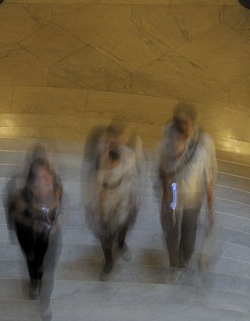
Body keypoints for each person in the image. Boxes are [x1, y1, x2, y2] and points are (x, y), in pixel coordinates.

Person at [155, 102, 216, 279]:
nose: (183, 129)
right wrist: (166, 197)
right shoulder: (165, 144)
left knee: (189, 237)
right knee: (171, 234)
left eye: (186, 124)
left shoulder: (203, 146)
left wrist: (210, 207)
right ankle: (175, 264)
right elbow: (163, 171)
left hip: (193, 199)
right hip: (174, 195)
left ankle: (184, 259)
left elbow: (209, 177)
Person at [82, 120, 143, 279]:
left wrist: (134, 199)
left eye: (125, 137)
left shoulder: (129, 154)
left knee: (123, 225)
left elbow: (133, 176)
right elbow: (89, 177)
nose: (122, 141)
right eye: (119, 138)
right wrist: (89, 205)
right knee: (105, 233)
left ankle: (121, 243)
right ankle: (108, 260)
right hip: (102, 200)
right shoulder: (99, 150)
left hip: (123, 197)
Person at [6, 148, 63, 305]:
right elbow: (17, 216)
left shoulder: (56, 187)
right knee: (32, 261)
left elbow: (59, 208)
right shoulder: (22, 196)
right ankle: (34, 282)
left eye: (49, 175)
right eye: (42, 177)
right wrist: (33, 221)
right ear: (31, 183)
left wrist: (55, 216)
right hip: (28, 234)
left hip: (49, 234)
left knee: (48, 267)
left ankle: (45, 304)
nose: (48, 180)